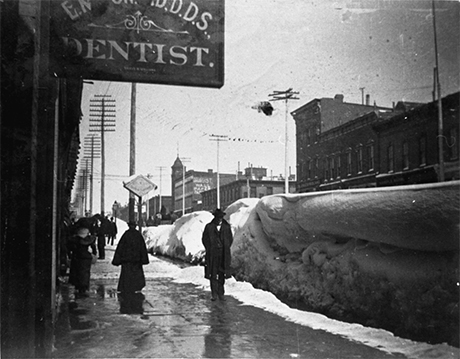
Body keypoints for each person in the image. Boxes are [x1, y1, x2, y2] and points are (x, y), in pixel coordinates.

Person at [202, 208, 233, 301]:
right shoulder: (209, 227)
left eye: (221, 218)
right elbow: (205, 239)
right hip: (212, 254)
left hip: (223, 254)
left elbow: (230, 239)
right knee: (213, 274)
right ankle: (214, 294)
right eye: (218, 218)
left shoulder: (226, 227)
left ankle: (221, 293)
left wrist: (225, 247)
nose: (219, 219)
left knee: (222, 273)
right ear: (215, 218)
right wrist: (210, 247)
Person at [112, 221, 150, 293]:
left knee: (126, 275)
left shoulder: (126, 235)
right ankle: (136, 286)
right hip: (136, 260)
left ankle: (127, 287)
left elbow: (120, 247)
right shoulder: (138, 235)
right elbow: (142, 248)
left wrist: (117, 259)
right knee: (136, 274)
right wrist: (144, 259)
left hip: (126, 260)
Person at [67, 225, 97, 298]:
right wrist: (93, 254)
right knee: (85, 272)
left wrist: (70, 255)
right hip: (86, 257)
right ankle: (84, 286)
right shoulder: (89, 239)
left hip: (76, 257)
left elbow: (69, 247)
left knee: (77, 272)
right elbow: (94, 248)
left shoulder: (75, 239)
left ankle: (78, 286)